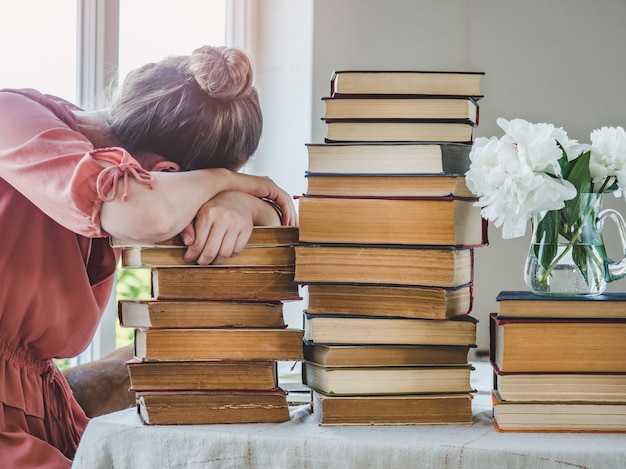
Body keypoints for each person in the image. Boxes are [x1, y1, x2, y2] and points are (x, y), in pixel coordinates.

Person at [0, 45, 297, 468]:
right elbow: (152, 212)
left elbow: (276, 225)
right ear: (169, 174)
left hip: (38, 408)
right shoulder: (13, 117)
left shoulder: (123, 182)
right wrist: (226, 179)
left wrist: (239, 201)